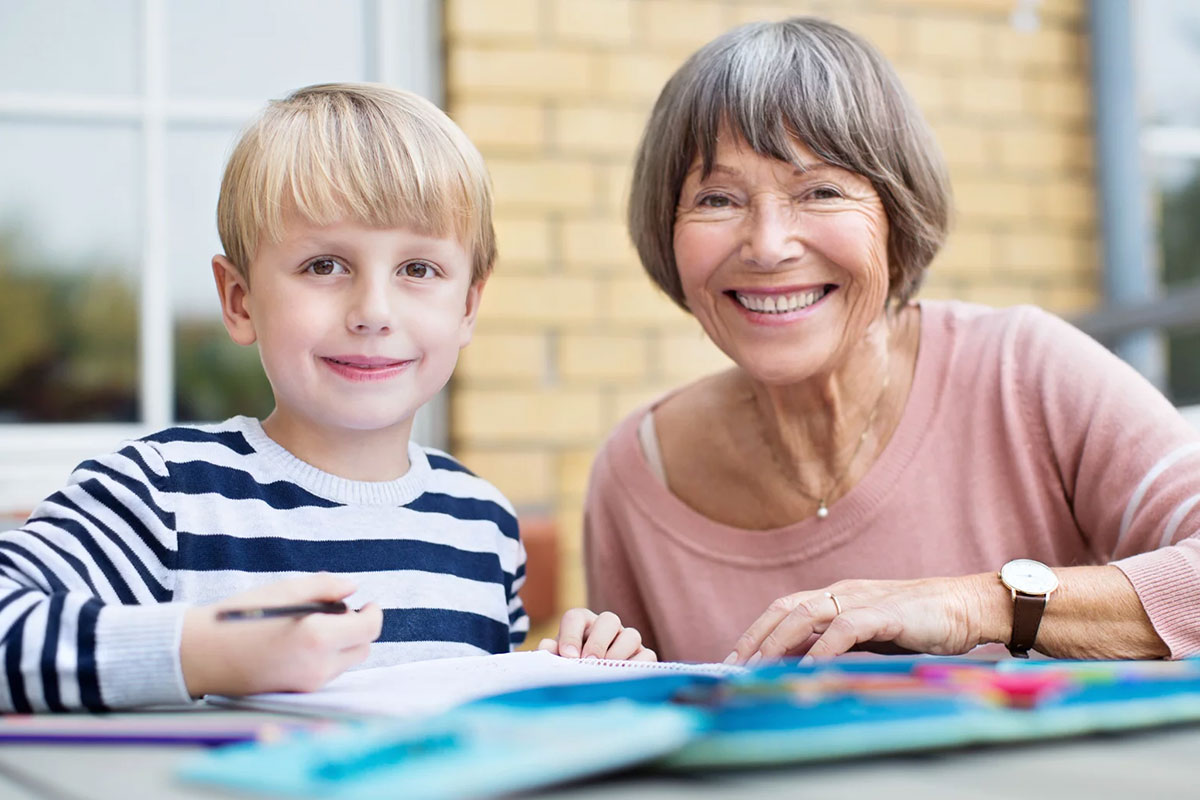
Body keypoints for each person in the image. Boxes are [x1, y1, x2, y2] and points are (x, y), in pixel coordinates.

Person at [0, 83, 649, 713]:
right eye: (324, 266)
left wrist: (572, 679)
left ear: (468, 307)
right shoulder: (164, 494)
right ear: (239, 299)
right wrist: (202, 653)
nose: (372, 311)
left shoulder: (482, 526)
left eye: (418, 270)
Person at [580, 17, 1200, 666]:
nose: (766, 246)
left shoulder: (1022, 372)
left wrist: (979, 605)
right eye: (716, 199)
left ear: (897, 217)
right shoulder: (636, 474)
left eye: (819, 190)